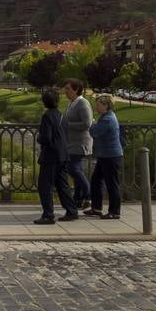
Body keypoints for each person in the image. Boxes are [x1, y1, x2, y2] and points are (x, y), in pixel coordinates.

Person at [35, 88, 78, 224]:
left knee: (45, 185)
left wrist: (39, 138)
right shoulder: (61, 115)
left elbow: (46, 138)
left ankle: (48, 214)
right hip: (63, 154)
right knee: (62, 184)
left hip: (51, 155)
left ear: (44, 102)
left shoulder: (47, 116)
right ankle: (72, 210)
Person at [86, 93, 124, 219]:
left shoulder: (107, 119)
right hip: (105, 155)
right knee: (96, 181)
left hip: (111, 156)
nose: (96, 107)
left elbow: (95, 132)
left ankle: (115, 211)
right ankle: (97, 208)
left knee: (112, 184)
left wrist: (91, 123)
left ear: (106, 105)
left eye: (98, 105)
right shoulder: (106, 117)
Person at [62, 78, 94, 211]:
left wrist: (67, 125)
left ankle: (89, 194)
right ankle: (78, 199)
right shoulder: (72, 103)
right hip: (72, 142)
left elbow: (87, 124)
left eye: (68, 89)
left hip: (80, 143)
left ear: (76, 90)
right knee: (77, 170)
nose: (65, 91)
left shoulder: (82, 103)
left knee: (73, 169)